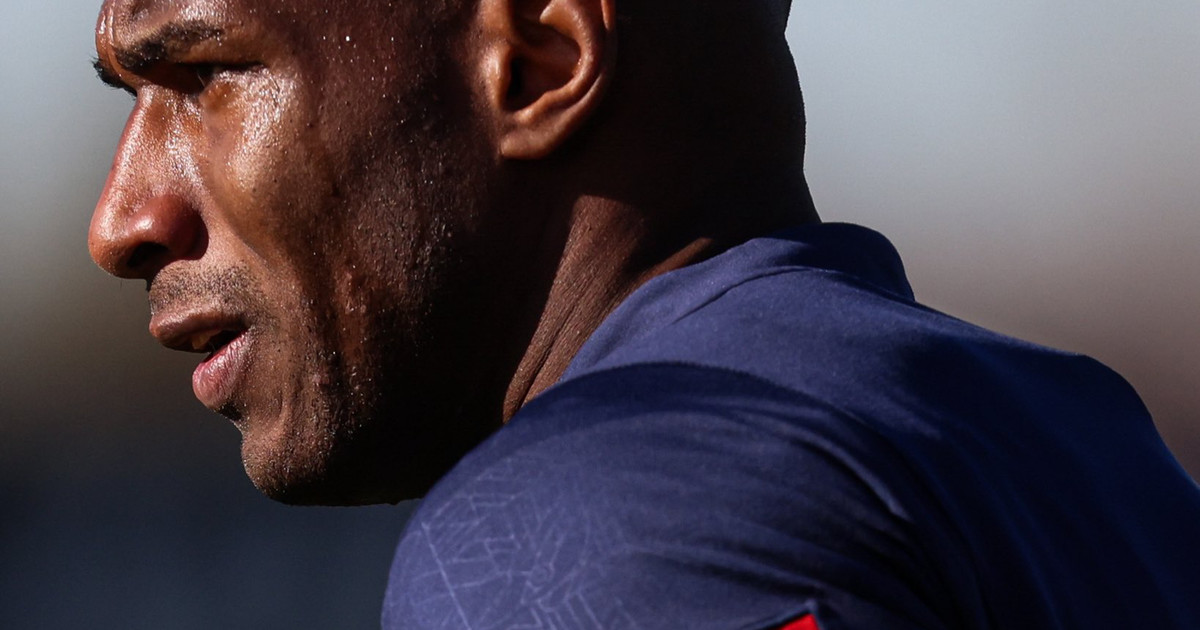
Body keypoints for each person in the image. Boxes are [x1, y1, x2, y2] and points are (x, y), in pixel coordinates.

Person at [88, 0, 1200, 627]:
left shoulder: (600, 523)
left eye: (206, 77)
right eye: (131, 100)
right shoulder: (1083, 441)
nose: (121, 220)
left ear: (541, 63)